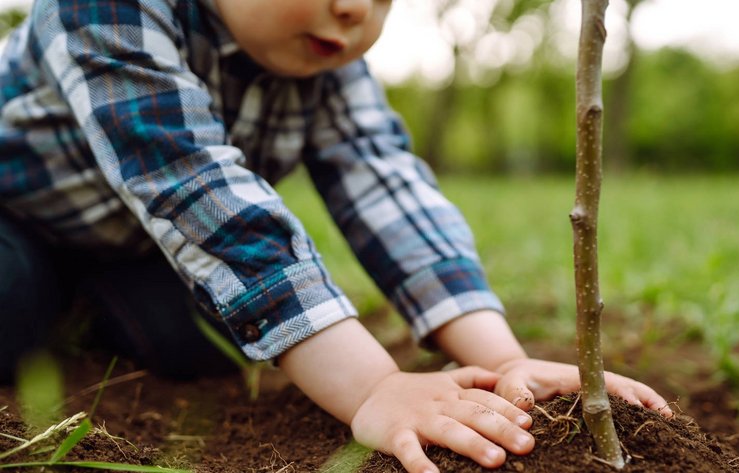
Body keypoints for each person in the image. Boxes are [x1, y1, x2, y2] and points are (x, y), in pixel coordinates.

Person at [0, 1, 672, 471]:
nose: (354, 9)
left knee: (199, 347)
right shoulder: (103, 9)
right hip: (16, 213)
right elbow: (195, 189)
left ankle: (76, 307)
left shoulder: (329, 65)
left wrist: (503, 360)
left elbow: (389, 191)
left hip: (128, 246)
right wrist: (374, 386)